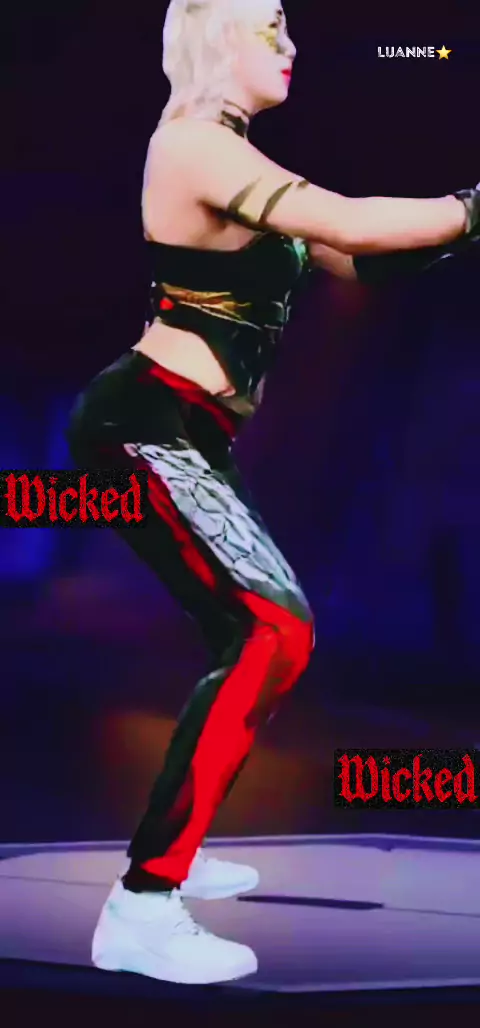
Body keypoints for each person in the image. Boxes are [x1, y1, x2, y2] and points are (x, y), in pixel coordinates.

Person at [66, 0, 480, 986]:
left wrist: (461, 229)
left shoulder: (234, 161)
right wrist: (473, 206)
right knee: (272, 629)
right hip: (145, 424)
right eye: (271, 28)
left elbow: (355, 258)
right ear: (219, 36)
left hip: (188, 434)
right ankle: (143, 906)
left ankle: (177, 842)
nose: (290, 46)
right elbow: (349, 220)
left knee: (249, 635)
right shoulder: (193, 146)